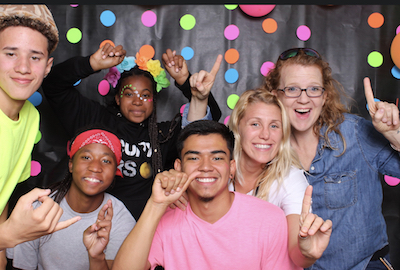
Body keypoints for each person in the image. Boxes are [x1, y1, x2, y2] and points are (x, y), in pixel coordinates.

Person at [41, 44, 222, 220]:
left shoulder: (163, 134)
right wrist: (92, 63)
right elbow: (52, 85)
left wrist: (186, 83)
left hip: (148, 226)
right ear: (118, 98)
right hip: (99, 222)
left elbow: (208, 123)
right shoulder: (96, 120)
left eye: (145, 95)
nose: (137, 102)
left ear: (153, 100)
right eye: (129, 94)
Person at [111, 119, 317, 270]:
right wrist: (156, 204)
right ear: (178, 167)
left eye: (217, 158)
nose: (206, 167)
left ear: (231, 168)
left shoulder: (270, 219)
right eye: (194, 158)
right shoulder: (163, 220)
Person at [263, 47, 400, 270]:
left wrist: (395, 135)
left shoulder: (355, 134)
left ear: (325, 96)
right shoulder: (263, 146)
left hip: (365, 265)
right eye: (292, 89)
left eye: (314, 89)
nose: (303, 99)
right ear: (275, 95)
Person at [0, 3, 80, 258]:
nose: (23, 67)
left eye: (35, 57)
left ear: (47, 66)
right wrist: (9, 236)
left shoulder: (31, 117)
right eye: (10, 54)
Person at [227, 89, 332, 269]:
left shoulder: (290, 178)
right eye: (255, 124)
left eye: (274, 126)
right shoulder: (216, 172)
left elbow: (297, 255)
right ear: (238, 126)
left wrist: (307, 252)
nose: (265, 135)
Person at [7, 127, 136, 270]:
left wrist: (96, 257)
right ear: (71, 165)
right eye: (86, 157)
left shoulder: (120, 218)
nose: (95, 167)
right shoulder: (39, 209)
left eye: (106, 161)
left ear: (114, 172)